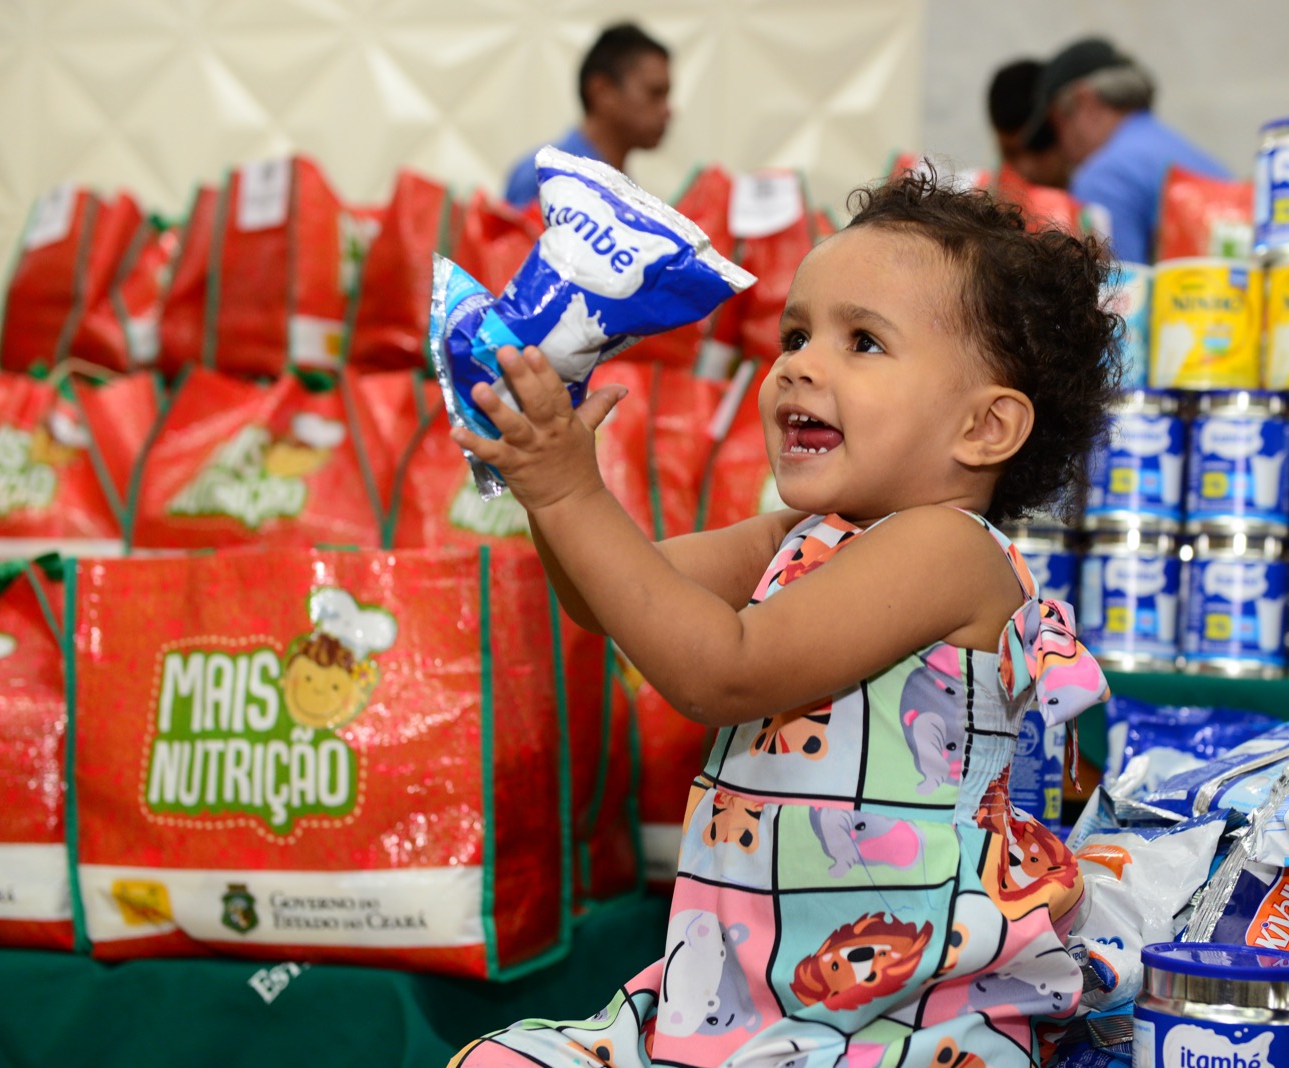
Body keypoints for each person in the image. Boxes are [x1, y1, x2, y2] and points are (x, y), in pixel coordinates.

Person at [447, 171, 1118, 1068]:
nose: (799, 364)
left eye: (863, 342)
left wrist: (572, 492)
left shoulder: (948, 551)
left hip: (898, 1010)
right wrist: (545, 476)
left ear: (985, 428)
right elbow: (599, 597)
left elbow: (722, 672)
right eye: (795, 335)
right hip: (739, 994)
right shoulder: (797, 537)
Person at [1020, 36, 1230, 265]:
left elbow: (1118, 284)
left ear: (1084, 101)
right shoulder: (1179, 149)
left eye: (1056, 127)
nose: (1062, 149)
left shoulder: (1103, 176)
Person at [502, 22, 672, 209]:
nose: (668, 110)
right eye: (655, 93)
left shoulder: (624, 189)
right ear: (602, 91)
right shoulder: (544, 177)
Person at [987, 58, 1069, 188]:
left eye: (1038, 145)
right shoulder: (991, 190)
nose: (1026, 169)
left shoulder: (1097, 185)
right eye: (1011, 153)